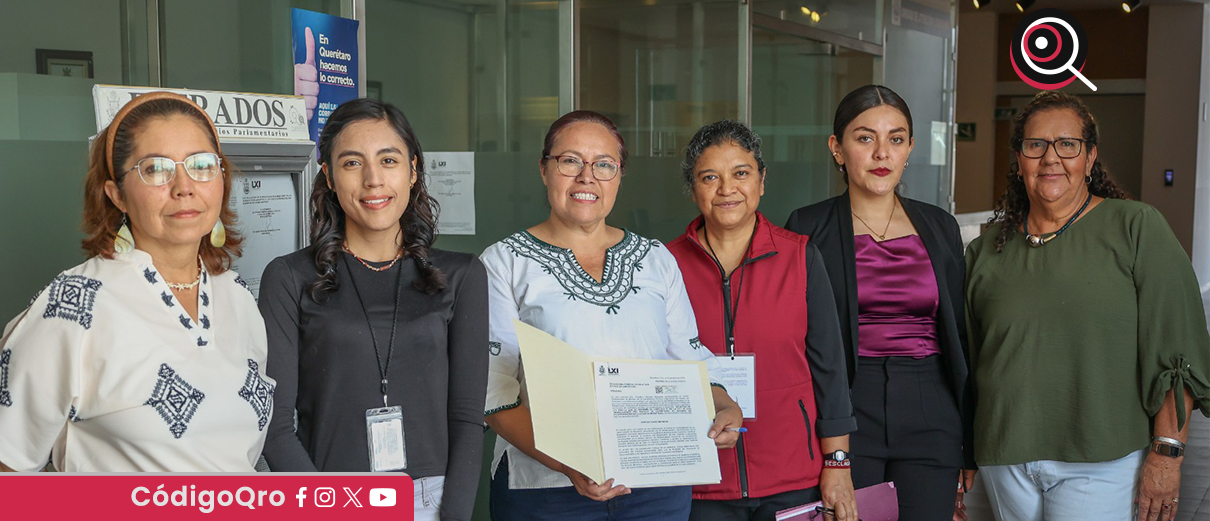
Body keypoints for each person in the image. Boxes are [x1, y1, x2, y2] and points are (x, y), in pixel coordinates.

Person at [482, 110, 744, 520]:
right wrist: (567, 464)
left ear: (620, 176)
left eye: (604, 165)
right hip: (546, 489)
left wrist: (725, 404)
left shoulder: (656, 259)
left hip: (655, 482)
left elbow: (689, 358)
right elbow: (493, 390)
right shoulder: (504, 262)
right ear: (544, 169)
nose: (587, 177)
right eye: (570, 161)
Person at [964, 90, 1210, 521]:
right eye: (1035, 145)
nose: (1050, 158)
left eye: (1068, 145)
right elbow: (966, 360)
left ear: (1090, 157)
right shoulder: (986, 250)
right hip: (1003, 454)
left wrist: (1167, 454)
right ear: (1019, 159)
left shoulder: (1135, 227)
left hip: (1102, 458)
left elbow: (1178, 351)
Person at [0, 92, 271, 472]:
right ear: (117, 195)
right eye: (156, 169)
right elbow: (8, 465)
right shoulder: (72, 305)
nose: (184, 186)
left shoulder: (237, 295)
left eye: (202, 165)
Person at [259, 98, 488, 521]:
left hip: (433, 500)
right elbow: (274, 428)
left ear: (413, 169)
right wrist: (323, 509)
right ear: (327, 174)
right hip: (331, 497)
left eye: (389, 160)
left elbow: (468, 418)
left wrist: (454, 516)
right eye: (351, 163)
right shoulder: (289, 278)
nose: (373, 180)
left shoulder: (462, 276)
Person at [784, 85, 972, 521]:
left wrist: (970, 445)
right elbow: (797, 335)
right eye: (865, 138)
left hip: (932, 407)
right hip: (848, 405)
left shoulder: (940, 226)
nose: (882, 153)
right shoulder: (807, 226)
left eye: (896, 138)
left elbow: (961, 337)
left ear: (910, 148)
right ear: (837, 148)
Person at [667, 120, 858, 521]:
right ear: (693, 188)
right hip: (700, 478)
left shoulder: (801, 257)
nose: (726, 189)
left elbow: (830, 368)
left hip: (792, 476)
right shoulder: (663, 267)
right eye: (709, 177)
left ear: (761, 180)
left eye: (741, 173)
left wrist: (837, 464)